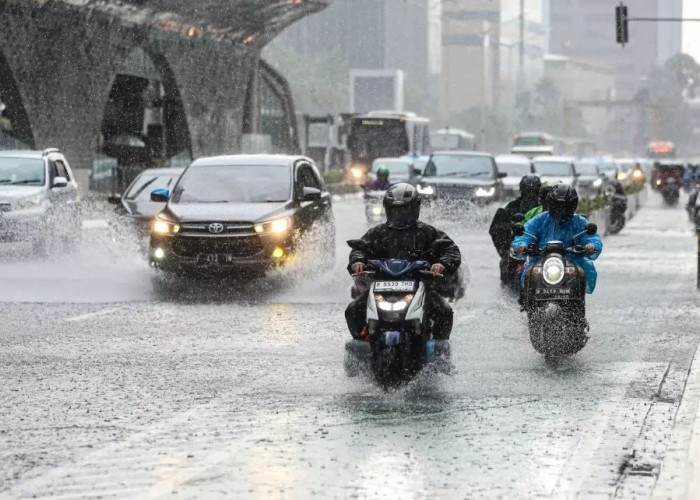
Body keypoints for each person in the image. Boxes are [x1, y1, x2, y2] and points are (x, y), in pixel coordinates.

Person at [345, 183, 462, 340]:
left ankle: (441, 352)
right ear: (388, 209)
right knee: (353, 310)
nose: (400, 214)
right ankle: (361, 343)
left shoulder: (427, 232)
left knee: (444, 311)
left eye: (405, 210)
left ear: (415, 209)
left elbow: (450, 250)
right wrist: (358, 260)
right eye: (395, 210)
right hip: (381, 286)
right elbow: (360, 248)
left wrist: (442, 263)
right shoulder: (377, 233)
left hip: (420, 286)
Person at [513, 184, 603, 294]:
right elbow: (526, 233)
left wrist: (591, 246)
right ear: (550, 203)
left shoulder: (580, 222)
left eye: (565, 206)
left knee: (582, 272)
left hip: (573, 261)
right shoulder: (540, 220)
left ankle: (578, 301)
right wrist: (522, 245)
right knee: (529, 274)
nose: (561, 209)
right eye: (557, 205)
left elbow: (591, 237)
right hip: (540, 259)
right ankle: (528, 301)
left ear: (572, 205)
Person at [489, 175, 542, 283]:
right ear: (522, 190)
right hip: (518, 245)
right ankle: (508, 291)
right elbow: (497, 229)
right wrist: (506, 247)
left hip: (542, 244)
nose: (531, 194)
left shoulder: (545, 206)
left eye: (534, 191)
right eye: (528, 191)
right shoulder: (511, 207)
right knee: (506, 263)